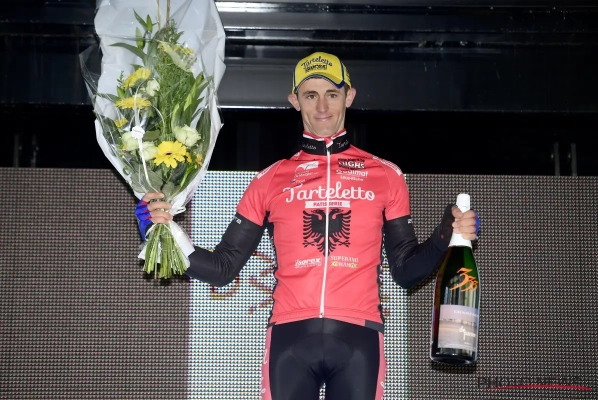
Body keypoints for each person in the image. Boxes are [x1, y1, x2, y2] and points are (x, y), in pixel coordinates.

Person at [135, 52, 479, 400]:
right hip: (289, 337)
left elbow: (405, 271)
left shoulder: (386, 175)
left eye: (332, 94)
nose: (322, 106)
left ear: (349, 96)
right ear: (294, 101)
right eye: (311, 95)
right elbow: (222, 268)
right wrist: (163, 233)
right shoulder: (269, 180)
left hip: (360, 336)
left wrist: (444, 235)